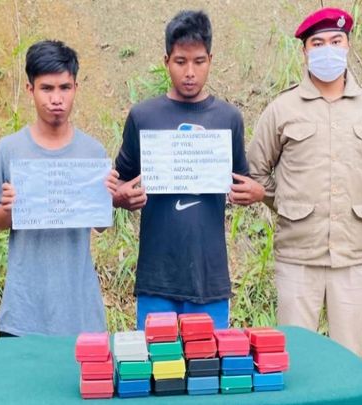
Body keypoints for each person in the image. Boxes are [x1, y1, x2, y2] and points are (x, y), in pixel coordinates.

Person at [246, 7, 362, 356]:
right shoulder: (282, 108)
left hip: (352, 254)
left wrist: (352, 200)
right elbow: (257, 171)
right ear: (305, 51)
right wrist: (289, 201)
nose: (327, 49)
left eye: (335, 41)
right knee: (296, 355)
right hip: (298, 254)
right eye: (318, 43)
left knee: (349, 355)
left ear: (347, 46)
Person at [113, 10, 264, 330]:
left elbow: (243, 182)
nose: (190, 72)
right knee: (156, 361)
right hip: (156, 278)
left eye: (199, 61)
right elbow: (118, 184)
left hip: (209, 278)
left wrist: (253, 192)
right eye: (181, 61)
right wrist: (120, 197)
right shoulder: (143, 116)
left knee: (208, 361)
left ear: (211, 60)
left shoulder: (228, 119)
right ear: (166, 60)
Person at [0, 40, 118, 337]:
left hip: (79, 309)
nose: (56, 98)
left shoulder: (93, 152)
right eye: (46, 88)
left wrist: (107, 195)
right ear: (30, 89)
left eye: (64, 88)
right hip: (24, 310)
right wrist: (9, 210)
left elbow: (100, 225)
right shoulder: (9, 149)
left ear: (76, 88)